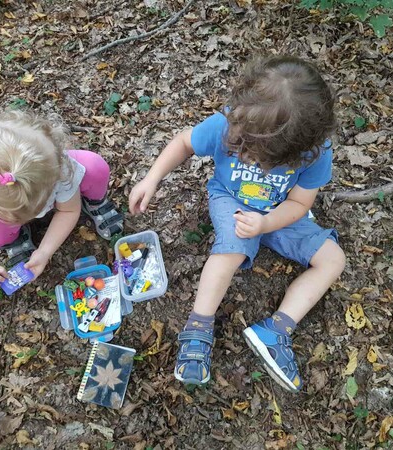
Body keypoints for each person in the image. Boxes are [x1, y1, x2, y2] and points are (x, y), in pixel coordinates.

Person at [129, 56, 346, 392]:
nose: (245, 156)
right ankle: (198, 328)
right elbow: (184, 143)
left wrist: (266, 223)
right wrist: (151, 178)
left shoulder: (315, 152)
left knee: (333, 259)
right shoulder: (228, 123)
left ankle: (276, 331)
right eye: (243, 147)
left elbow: (300, 203)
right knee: (231, 248)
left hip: (280, 212)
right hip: (231, 199)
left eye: (258, 157)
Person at [0, 111, 123, 294]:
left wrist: (45, 251)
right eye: (13, 218)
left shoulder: (58, 170)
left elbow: (68, 210)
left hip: (49, 176)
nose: (29, 220)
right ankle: (13, 237)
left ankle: (95, 203)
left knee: (95, 168)